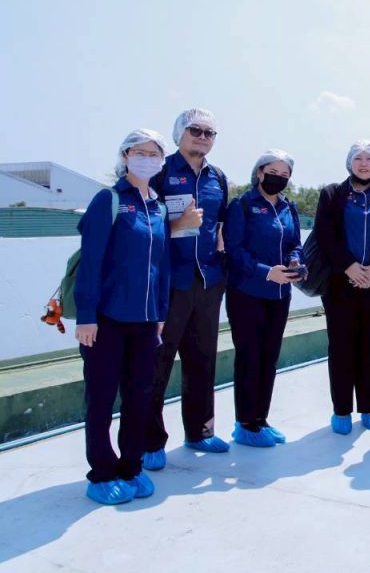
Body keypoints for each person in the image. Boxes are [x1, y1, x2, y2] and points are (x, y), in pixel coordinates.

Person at [74, 129, 171, 505]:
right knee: (101, 399)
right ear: (126, 156)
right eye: (139, 152)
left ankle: (131, 466)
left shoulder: (159, 207)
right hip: (106, 320)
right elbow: (91, 261)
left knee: (139, 397)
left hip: (145, 323)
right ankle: (101, 474)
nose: (146, 159)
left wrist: (160, 313)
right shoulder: (110, 200)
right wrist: (86, 316)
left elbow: (161, 266)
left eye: (153, 154)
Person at [143, 109, 230, 471]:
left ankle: (200, 431)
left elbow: (221, 223)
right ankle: (149, 441)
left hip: (207, 280)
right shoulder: (160, 172)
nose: (203, 137)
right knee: (156, 362)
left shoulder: (217, 178)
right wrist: (177, 224)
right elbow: (142, 223)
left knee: (202, 359)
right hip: (169, 282)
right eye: (196, 130)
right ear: (179, 133)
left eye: (210, 132)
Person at [314, 140, 370, 435]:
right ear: (349, 163)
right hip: (340, 282)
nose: (364, 163)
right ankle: (341, 410)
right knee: (341, 346)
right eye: (358, 158)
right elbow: (324, 234)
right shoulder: (332, 194)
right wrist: (349, 266)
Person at [223, 150, 304, 447]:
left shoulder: (288, 207)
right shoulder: (242, 205)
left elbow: (295, 243)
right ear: (259, 172)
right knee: (250, 358)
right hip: (247, 293)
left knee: (269, 358)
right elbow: (234, 250)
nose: (277, 178)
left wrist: (296, 261)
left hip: (280, 295)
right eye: (272, 172)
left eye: (284, 175)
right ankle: (245, 424)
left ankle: (260, 419)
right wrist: (266, 272)